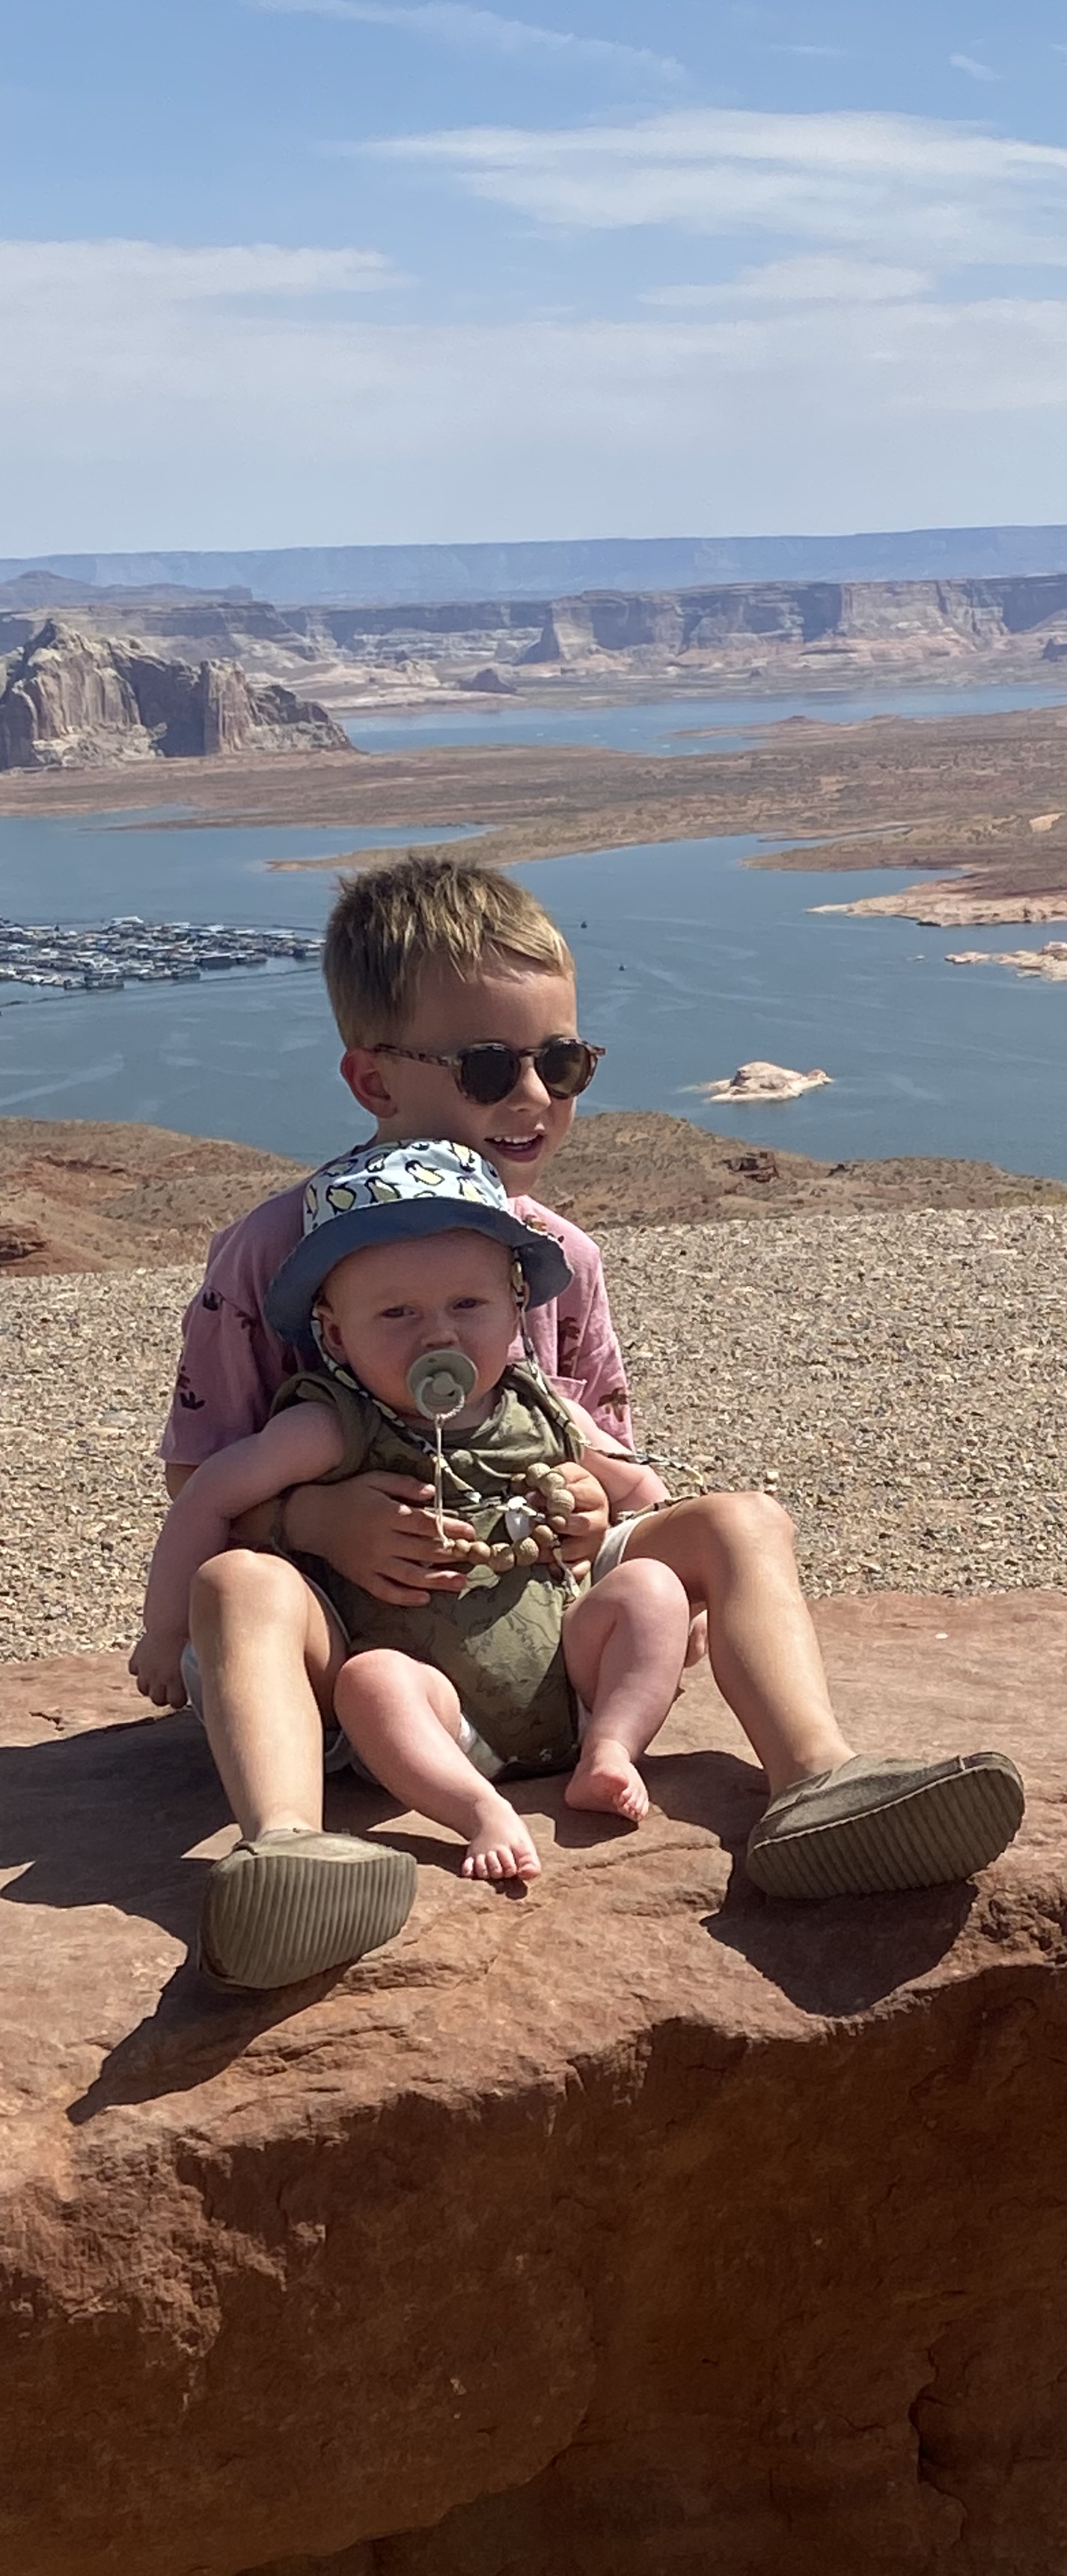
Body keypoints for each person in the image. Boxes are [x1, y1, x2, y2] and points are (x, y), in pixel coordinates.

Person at [157, 852, 1023, 1987]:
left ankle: (817, 1779)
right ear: (371, 1080)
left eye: (563, 1060)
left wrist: (584, 1508)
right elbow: (202, 1488)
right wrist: (314, 1527)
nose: (535, 1098)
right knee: (239, 1589)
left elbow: (611, 1458)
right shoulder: (273, 1254)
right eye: (488, 1065)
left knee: (741, 1522)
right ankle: (289, 1846)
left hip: (535, 1617)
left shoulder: (560, 1258)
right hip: (364, 1662)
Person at [138, 1142, 693, 1935]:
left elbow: (645, 1491)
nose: (438, 1335)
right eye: (396, 1315)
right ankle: (477, 1812)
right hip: (430, 1720)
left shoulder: (540, 1410)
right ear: (334, 1335)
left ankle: (611, 1750)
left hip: (566, 1681)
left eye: (469, 1307)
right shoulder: (331, 1422)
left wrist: (597, 1505)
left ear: (515, 1312)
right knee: (376, 1679)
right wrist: (164, 1632)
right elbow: (211, 1495)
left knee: (653, 1588)